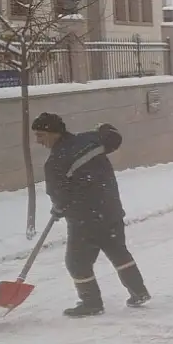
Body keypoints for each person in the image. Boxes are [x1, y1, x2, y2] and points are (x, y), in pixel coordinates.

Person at [31, 113, 149, 318]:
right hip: (110, 210)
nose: (38, 141)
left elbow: (59, 195)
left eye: (41, 135)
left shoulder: (56, 162)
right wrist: (104, 127)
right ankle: (139, 292)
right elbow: (113, 138)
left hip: (84, 220)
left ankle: (91, 303)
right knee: (118, 251)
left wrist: (59, 208)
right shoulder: (89, 140)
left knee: (77, 262)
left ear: (53, 133)